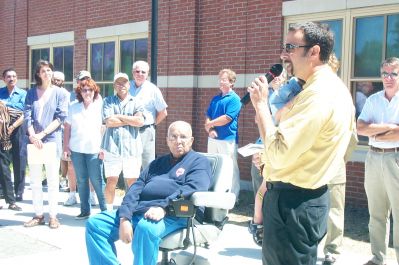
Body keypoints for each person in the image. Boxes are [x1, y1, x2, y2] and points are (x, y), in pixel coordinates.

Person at [247, 22, 354, 265]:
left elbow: (280, 154)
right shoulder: (321, 89)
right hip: (298, 200)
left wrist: (261, 105)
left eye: (291, 47)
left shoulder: (319, 95)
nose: (284, 54)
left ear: (314, 52)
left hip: (293, 205)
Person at [85, 120, 211, 265]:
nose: (178, 141)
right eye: (173, 137)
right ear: (167, 140)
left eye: (183, 137)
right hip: (141, 210)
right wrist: (125, 217)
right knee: (95, 224)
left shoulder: (199, 162)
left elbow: (192, 189)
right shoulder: (157, 163)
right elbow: (135, 188)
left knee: (146, 228)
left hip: (177, 214)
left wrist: (164, 207)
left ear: (191, 140)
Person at [357, 57, 399, 265]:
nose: (388, 78)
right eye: (385, 73)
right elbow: (361, 127)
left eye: (394, 73)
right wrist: (391, 128)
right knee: (376, 212)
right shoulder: (373, 100)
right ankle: (377, 257)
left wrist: (378, 130)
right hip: (373, 157)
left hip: (396, 158)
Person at [23, 60, 69, 229]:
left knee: (52, 179)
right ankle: (38, 215)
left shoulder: (61, 93)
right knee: (35, 180)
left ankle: (53, 216)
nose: (47, 73)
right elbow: (27, 115)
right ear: (38, 74)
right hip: (34, 141)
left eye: (49, 70)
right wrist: (33, 136)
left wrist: (42, 134)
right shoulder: (31, 93)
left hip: (50, 141)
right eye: (43, 71)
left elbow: (60, 117)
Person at [63, 78, 106, 219]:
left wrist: (103, 147)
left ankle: (105, 211)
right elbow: (67, 127)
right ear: (79, 92)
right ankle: (85, 210)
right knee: (81, 180)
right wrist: (66, 146)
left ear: (95, 91)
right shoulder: (73, 107)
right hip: (77, 150)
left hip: (94, 150)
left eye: (90, 90)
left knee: (97, 181)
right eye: (84, 90)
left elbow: (105, 128)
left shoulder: (101, 106)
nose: (87, 92)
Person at [102, 72, 144, 211]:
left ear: (129, 84)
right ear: (114, 85)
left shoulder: (136, 102)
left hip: (132, 149)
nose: (122, 86)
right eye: (118, 83)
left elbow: (139, 121)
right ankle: (108, 211)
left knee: (132, 182)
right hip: (112, 148)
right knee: (111, 181)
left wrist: (119, 116)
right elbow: (109, 122)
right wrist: (129, 120)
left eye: (124, 82)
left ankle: (130, 210)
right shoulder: (107, 101)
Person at [205, 68, 241, 198]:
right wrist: (210, 129)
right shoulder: (215, 98)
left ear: (231, 82)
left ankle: (233, 196)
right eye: (220, 79)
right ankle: (216, 193)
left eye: (224, 80)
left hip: (228, 139)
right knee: (214, 166)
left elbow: (227, 118)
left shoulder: (235, 99)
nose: (220, 82)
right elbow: (208, 115)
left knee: (230, 168)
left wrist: (210, 124)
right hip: (213, 138)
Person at [130, 60, 168, 169]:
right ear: (133, 73)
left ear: (147, 74)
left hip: (146, 131)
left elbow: (163, 112)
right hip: (129, 130)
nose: (140, 74)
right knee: (130, 164)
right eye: (137, 71)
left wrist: (152, 124)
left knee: (147, 164)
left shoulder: (153, 89)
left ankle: (147, 186)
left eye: (143, 72)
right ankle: (131, 187)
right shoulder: (127, 88)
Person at [52, 71, 78, 206]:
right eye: (54, 79)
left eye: (59, 80)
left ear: (63, 81)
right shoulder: (47, 92)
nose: (56, 82)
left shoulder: (67, 95)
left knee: (66, 159)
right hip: (55, 131)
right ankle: (61, 179)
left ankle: (65, 181)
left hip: (64, 129)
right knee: (62, 157)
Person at [0, 68, 27, 202]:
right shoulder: (0, 93)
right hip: (2, 130)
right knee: (3, 162)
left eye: (14, 76)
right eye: (8, 76)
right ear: (4, 79)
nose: (12, 78)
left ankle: (18, 191)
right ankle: (4, 190)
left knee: (19, 160)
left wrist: (5, 107)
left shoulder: (23, 93)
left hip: (18, 129)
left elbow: (23, 112)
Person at [0, 100, 23, 211]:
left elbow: (22, 115)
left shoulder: (4, 108)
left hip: (2, 144)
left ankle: (11, 202)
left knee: (5, 172)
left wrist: (12, 126)